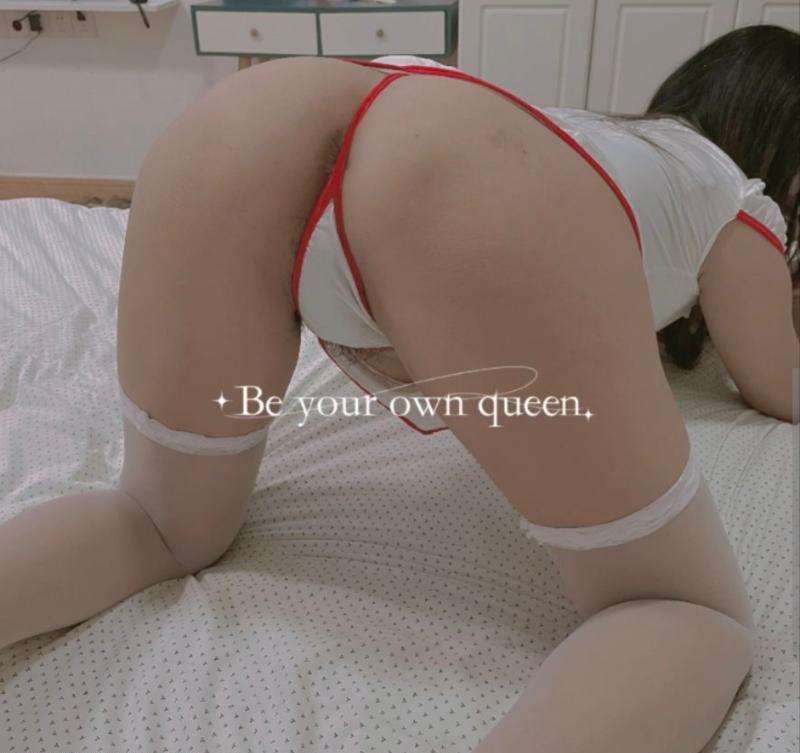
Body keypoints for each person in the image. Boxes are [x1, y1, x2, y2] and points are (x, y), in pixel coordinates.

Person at [1, 23, 798, 753]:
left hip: (260, 117)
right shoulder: (734, 193)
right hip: (458, 177)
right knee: (686, 610)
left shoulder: (603, 134)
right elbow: (778, 383)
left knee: (157, 520)